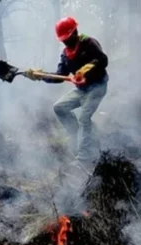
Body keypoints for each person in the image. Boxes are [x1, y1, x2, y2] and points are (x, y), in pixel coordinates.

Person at [25, 17, 108, 167]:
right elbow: (59, 76)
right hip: (82, 90)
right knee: (59, 107)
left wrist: (86, 69)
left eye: (68, 39)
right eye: (63, 40)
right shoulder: (65, 55)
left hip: (97, 86)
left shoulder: (88, 42)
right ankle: (79, 137)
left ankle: (83, 158)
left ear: (75, 32)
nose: (66, 42)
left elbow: (102, 60)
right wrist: (41, 76)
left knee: (84, 118)